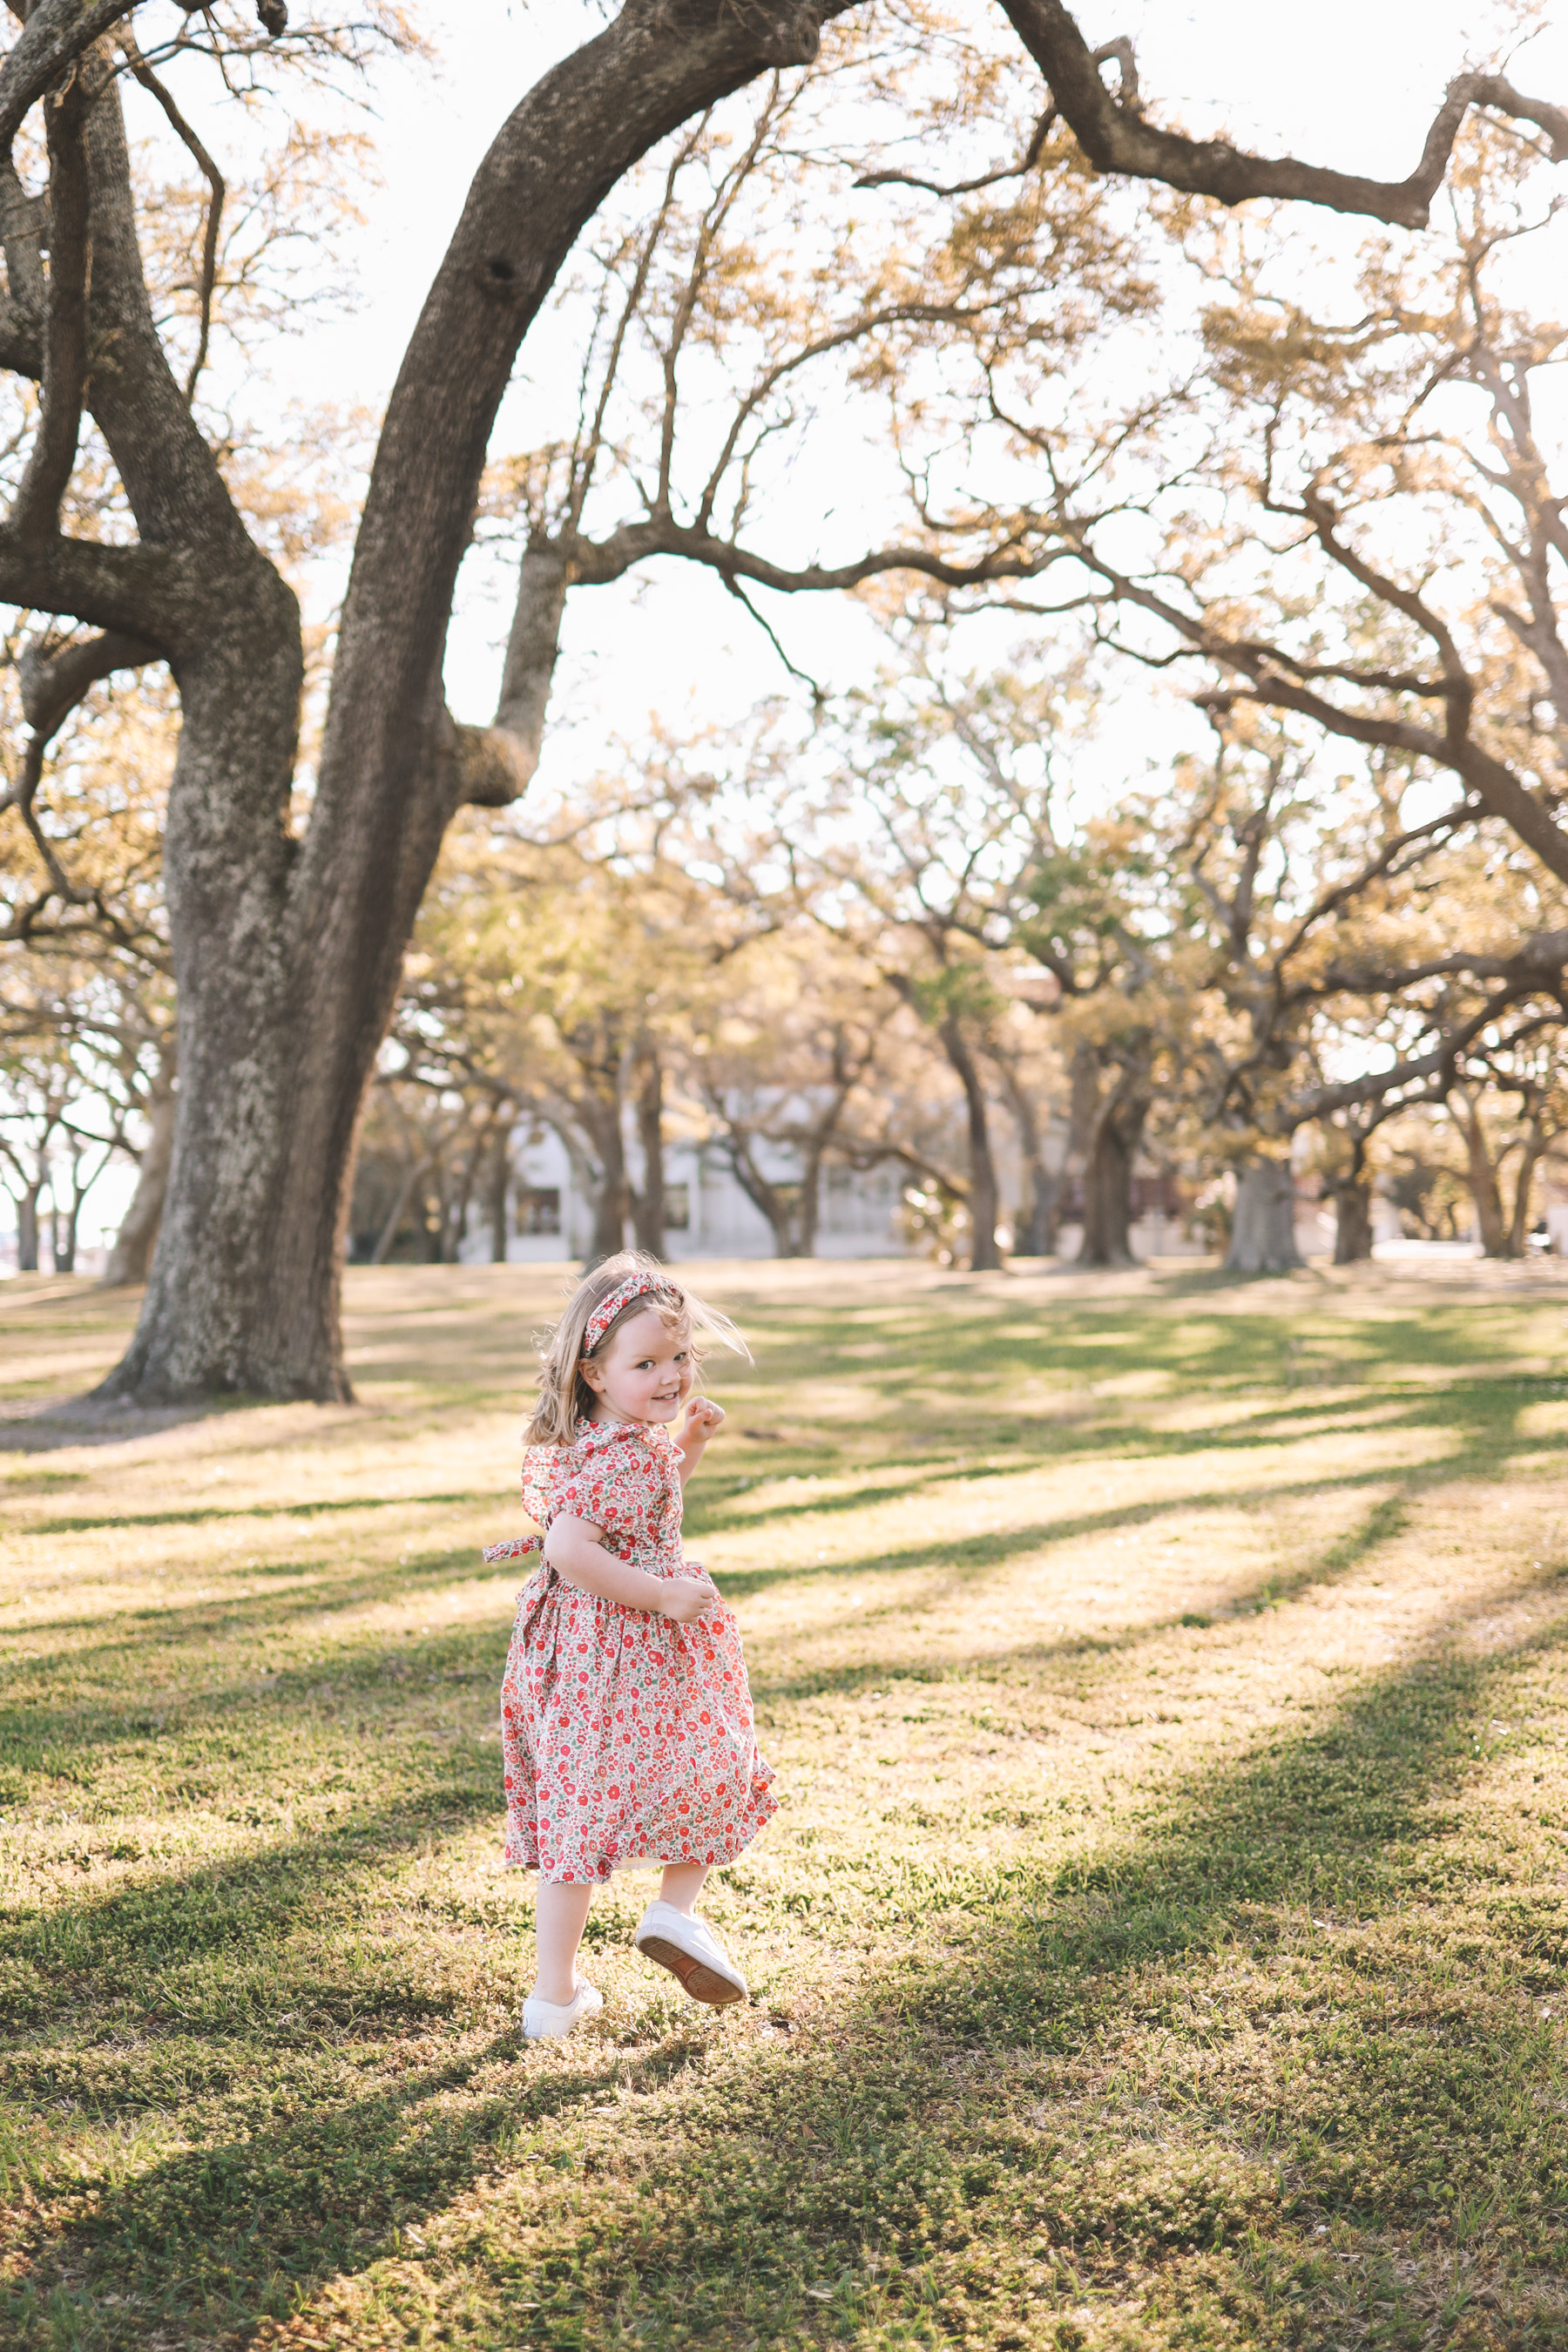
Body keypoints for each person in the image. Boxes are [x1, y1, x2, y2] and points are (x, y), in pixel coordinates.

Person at [483, 1251, 777, 2041]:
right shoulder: (618, 1453)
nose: (672, 1374)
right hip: (629, 1641)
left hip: (589, 1650)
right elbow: (570, 1549)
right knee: (713, 1764)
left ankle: (553, 1997)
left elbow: (640, 1504)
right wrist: (663, 1595)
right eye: (646, 1362)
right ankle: (674, 1915)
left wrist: (687, 1446)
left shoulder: (617, 1439)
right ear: (594, 1373)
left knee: (580, 1813)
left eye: (680, 1357)